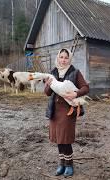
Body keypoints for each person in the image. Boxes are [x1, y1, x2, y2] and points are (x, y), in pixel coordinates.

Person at [44, 48, 89, 177]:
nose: (63, 60)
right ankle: (62, 163)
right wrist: (47, 84)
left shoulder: (75, 72)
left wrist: (76, 93)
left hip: (68, 110)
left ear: (69, 59)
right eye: (61, 57)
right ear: (58, 58)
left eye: (66, 57)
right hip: (54, 110)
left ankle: (69, 164)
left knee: (65, 138)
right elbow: (47, 93)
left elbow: (86, 88)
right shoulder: (52, 72)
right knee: (59, 138)